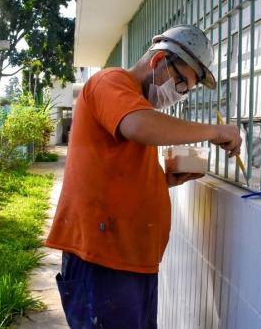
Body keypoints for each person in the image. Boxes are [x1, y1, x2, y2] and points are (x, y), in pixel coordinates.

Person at [45, 25, 242, 329]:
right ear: (159, 60)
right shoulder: (110, 82)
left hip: (130, 261)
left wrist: (163, 181)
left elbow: (116, 169)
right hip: (103, 259)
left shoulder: (137, 103)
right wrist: (216, 132)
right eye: (180, 83)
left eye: (184, 90)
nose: (178, 95)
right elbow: (139, 126)